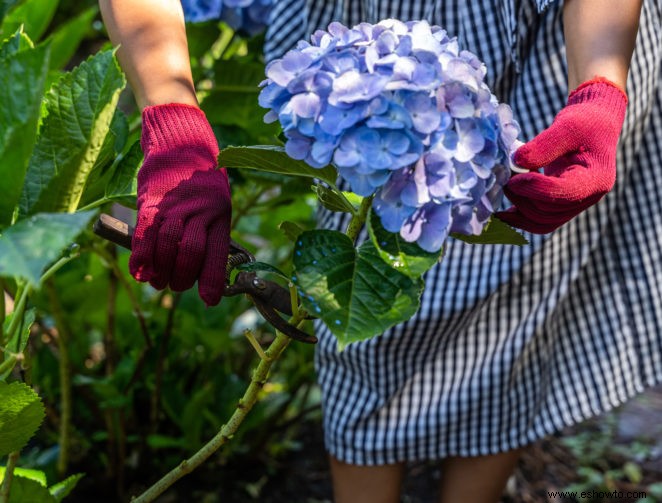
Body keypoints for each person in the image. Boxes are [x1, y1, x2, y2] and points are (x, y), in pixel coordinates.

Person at [99, 0, 661, 501]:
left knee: (524, 302)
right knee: (364, 343)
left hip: (559, 50)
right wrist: (173, 120)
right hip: (362, 69)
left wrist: (598, 92)